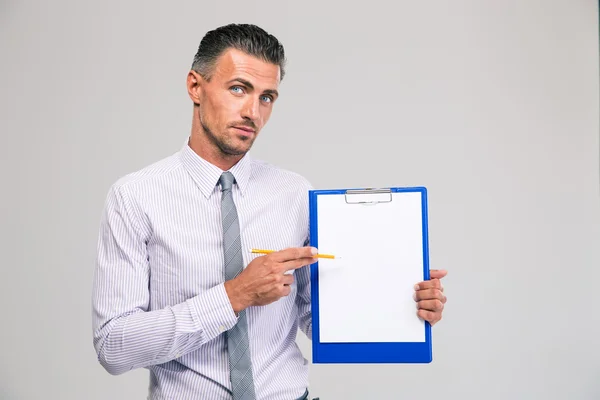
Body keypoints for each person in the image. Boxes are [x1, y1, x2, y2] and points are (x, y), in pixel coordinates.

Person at [91, 23, 448, 400]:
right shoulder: (135, 197)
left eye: (267, 97)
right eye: (239, 89)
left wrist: (406, 306)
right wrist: (232, 296)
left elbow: (319, 320)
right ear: (196, 87)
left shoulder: (294, 192)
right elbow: (113, 347)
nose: (253, 113)